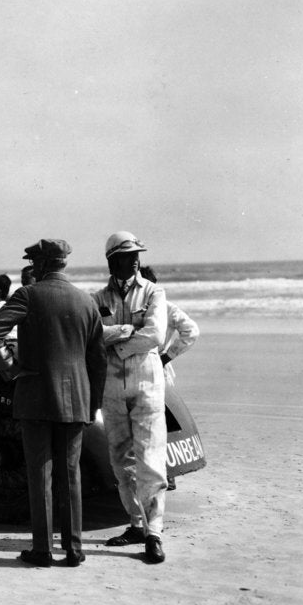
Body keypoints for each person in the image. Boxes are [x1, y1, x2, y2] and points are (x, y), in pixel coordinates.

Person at [0, 240, 106, 568]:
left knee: (41, 474)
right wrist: (93, 402)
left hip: (36, 396)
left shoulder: (28, 295)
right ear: (63, 263)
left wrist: (10, 369)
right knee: (71, 475)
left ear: (40, 264)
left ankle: (43, 550)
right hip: (76, 400)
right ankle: (74, 549)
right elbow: (98, 360)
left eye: (33, 262)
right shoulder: (87, 301)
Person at [91, 232, 169, 564]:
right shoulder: (96, 298)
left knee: (151, 459)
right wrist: (126, 331)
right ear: (112, 261)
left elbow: (155, 335)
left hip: (146, 384)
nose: (134, 259)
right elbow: (92, 335)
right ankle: (136, 524)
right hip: (112, 387)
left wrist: (117, 340)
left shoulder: (154, 292)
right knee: (120, 461)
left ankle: (154, 533)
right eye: (127, 255)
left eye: (137, 253)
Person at [139, 265, 200, 491]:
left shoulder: (165, 307)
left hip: (157, 368)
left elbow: (192, 331)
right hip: (152, 368)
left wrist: (167, 356)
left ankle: (166, 474)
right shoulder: (162, 307)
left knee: (158, 423)